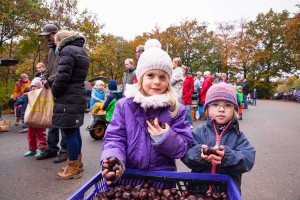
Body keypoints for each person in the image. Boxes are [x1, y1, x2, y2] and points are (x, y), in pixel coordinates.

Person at [100, 39, 193, 184]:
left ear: (168, 81)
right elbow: (114, 138)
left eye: (162, 77)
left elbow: (184, 147)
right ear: (141, 77)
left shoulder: (175, 109)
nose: (157, 81)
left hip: (162, 181)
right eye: (151, 75)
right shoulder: (124, 106)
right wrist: (114, 159)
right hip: (129, 178)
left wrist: (165, 138)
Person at [181, 82, 256, 193]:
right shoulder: (199, 132)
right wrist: (199, 155)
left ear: (234, 110)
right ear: (207, 108)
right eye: (215, 104)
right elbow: (185, 154)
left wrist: (228, 157)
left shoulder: (238, 136)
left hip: (225, 191)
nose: (221, 109)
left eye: (227, 105)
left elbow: (248, 159)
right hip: (198, 190)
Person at [51, 30, 89, 179]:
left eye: (55, 42)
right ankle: (77, 163)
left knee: (69, 132)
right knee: (74, 130)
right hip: (77, 93)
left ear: (61, 40)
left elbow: (62, 75)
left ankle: (73, 167)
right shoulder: (81, 50)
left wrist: (55, 91)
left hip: (68, 96)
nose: (55, 45)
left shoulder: (67, 50)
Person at [36, 24, 68, 163]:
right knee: (52, 120)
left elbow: (63, 72)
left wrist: (49, 79)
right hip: (52, 90)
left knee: (63, 122)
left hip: (63, 90)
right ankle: (52, 148)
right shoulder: (51, 51)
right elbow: (49, 69)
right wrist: (44, 78)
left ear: (55, 34)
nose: (46, 39)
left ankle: (65, 150)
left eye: (48, 36)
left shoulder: (64, 50)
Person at [22, 77, 48, 157]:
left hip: (40, 117)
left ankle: (42, 148)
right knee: (31, 134)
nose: (33, 87)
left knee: (40, 134)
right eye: (32, 86)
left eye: (35, 86)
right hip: (32, 117)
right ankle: (32, 149)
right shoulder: (30, 94)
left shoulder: (43, 94)